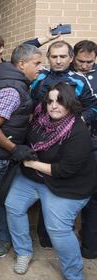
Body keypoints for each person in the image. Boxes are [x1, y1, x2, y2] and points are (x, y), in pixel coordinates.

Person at [5, 83, 97, 278]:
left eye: (60, 102)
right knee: (13, 205)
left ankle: (74, 274)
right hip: (35, 178)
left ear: (70, 104)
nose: (54, 106)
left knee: (58, 229)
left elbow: (63, 170)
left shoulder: (78, 132)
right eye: (50, 101)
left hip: (67, 185)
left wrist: (31, 163)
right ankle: (23, 252)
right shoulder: (41, 120)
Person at [30, 40, 97, 249]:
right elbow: (31, 104)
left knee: (61, 184)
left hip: (69, 143)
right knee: (44, 185)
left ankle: (64, 235)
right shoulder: (40, 77)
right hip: (42, 142)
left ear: (70, 58)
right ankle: (45, 236)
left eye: (62, 57)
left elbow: (94, 107)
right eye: (54, 56)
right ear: (48, 58)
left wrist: (80, 121)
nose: (58, 61)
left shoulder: (80, 79)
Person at [0, 44, 43, 258]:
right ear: (22, 64)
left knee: (3, 199)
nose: (40, 68)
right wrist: (15, 149)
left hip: (3, 156)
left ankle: (3, 239)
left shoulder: (21, 85)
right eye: (37, 63)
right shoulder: (12, 90)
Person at [71, 40, 97, 259]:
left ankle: (89, 245)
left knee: (93, 197)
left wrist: (85, 117)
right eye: (81, 61)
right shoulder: (66, 75)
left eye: (90, 62)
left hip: (93, 143)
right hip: (70, 143)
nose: (85, 65)